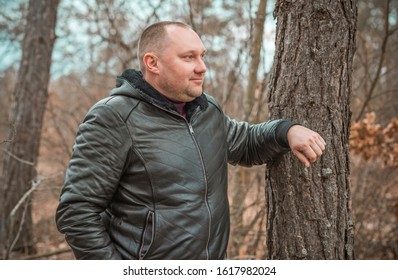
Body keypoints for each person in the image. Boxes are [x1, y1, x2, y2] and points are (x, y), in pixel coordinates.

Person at [55, 21, 326, 260]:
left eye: (202, 56)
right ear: (153, 63)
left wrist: (287, 131)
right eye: (188, 57)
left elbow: (245, 143)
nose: (202, 67)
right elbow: (77, 211)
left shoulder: (207, 110)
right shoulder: (114, 117)